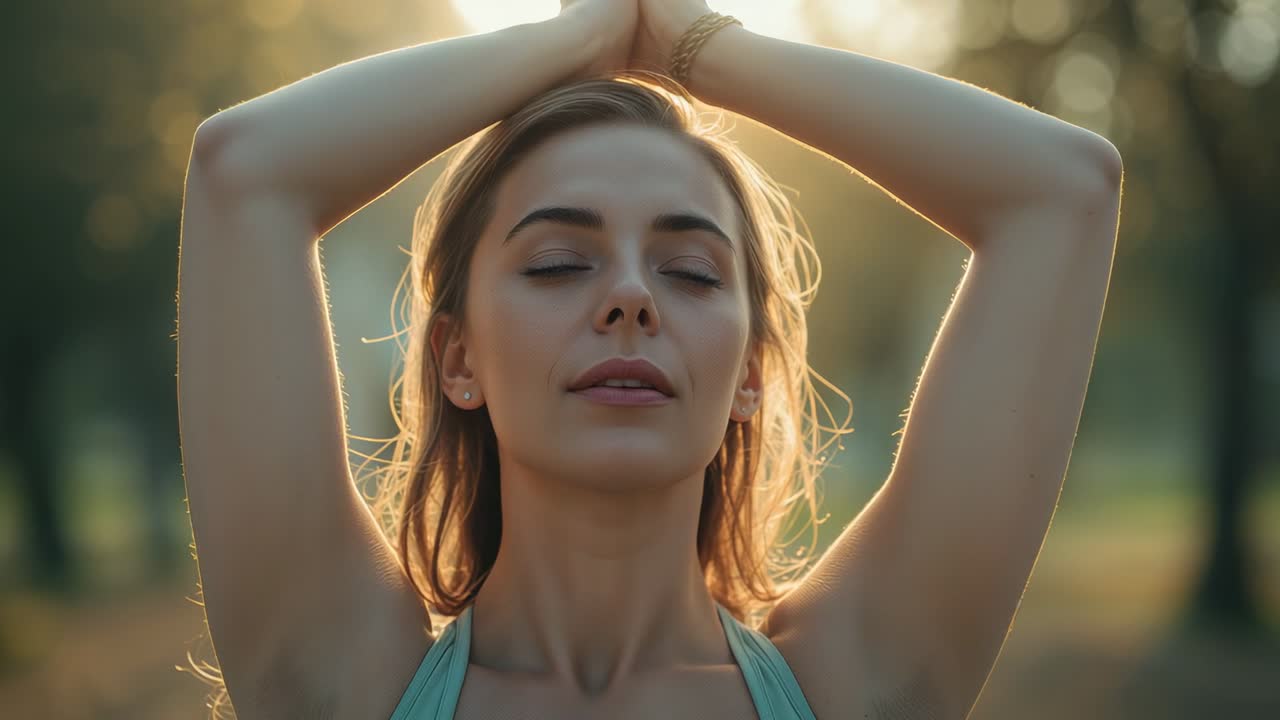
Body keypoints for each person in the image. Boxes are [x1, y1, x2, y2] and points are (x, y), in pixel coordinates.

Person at [176, 1, 1123, 718]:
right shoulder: (346, 679)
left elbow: (1064, 190)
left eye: (690, 271)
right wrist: (586, 37)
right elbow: (243, 170)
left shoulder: (850, 684)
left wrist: (691, 45)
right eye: (557, 262)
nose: (630, 297)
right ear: (456, 358)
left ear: (751, 370)